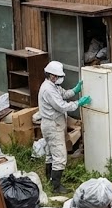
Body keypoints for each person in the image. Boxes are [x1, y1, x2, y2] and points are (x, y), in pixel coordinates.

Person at [39, 61, 91, 193]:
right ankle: (56, 187)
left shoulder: (53, 86)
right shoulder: (48, 89)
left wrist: (75, 90)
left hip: (53, 123)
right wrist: (78, 103)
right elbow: (61, 106)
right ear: (51, 75)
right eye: (58, 76)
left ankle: (50, 179)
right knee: (60, 156)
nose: (60, 78)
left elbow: (63, 94)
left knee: (51, 153)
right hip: (52, 125)